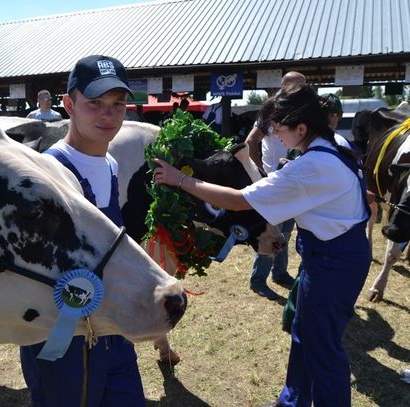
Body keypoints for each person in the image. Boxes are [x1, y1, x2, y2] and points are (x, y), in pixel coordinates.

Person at [153, 84, 372, 407]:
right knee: (304, 333)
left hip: (333, 262)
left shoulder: (312, 167)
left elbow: (240, 201)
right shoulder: (332, 143)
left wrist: (180, 179)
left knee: (322, 349)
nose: (275, 135)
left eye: (278, 128)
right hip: (331, 255)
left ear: (302, 128)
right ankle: (293, 401)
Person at [20, 55, 145, 407]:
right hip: (60, 335)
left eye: (117, 104)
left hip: (113, 328)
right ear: (68, 105)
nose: (108, 114)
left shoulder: (111, 164)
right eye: (95, 104)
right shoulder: (48, 172)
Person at [244, 72, 307, 299]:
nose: (302, 91)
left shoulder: (301, 112)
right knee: (271, 232)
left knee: (286, 232)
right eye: (297, 86)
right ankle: (258, 280)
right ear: (285, 86)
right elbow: (250, 141)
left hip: (293, 183)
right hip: (274, 182)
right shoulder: (271, 111)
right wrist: (260, 173)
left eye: (304, 86)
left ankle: (279, 273)